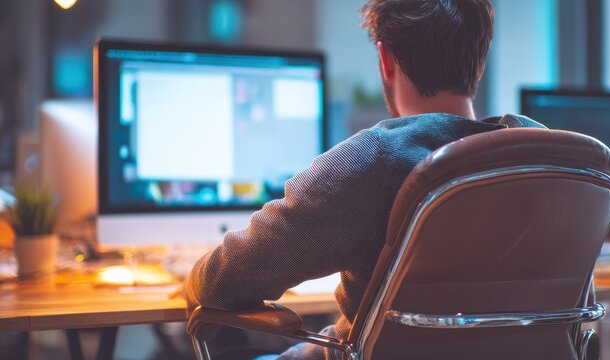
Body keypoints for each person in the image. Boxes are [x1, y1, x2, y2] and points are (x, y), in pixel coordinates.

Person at [182, 0, 544, 359]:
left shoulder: (374, 161)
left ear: (385, 60)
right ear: (480, 64)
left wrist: (192, 277)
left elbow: (220, 282)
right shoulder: (546, 157)